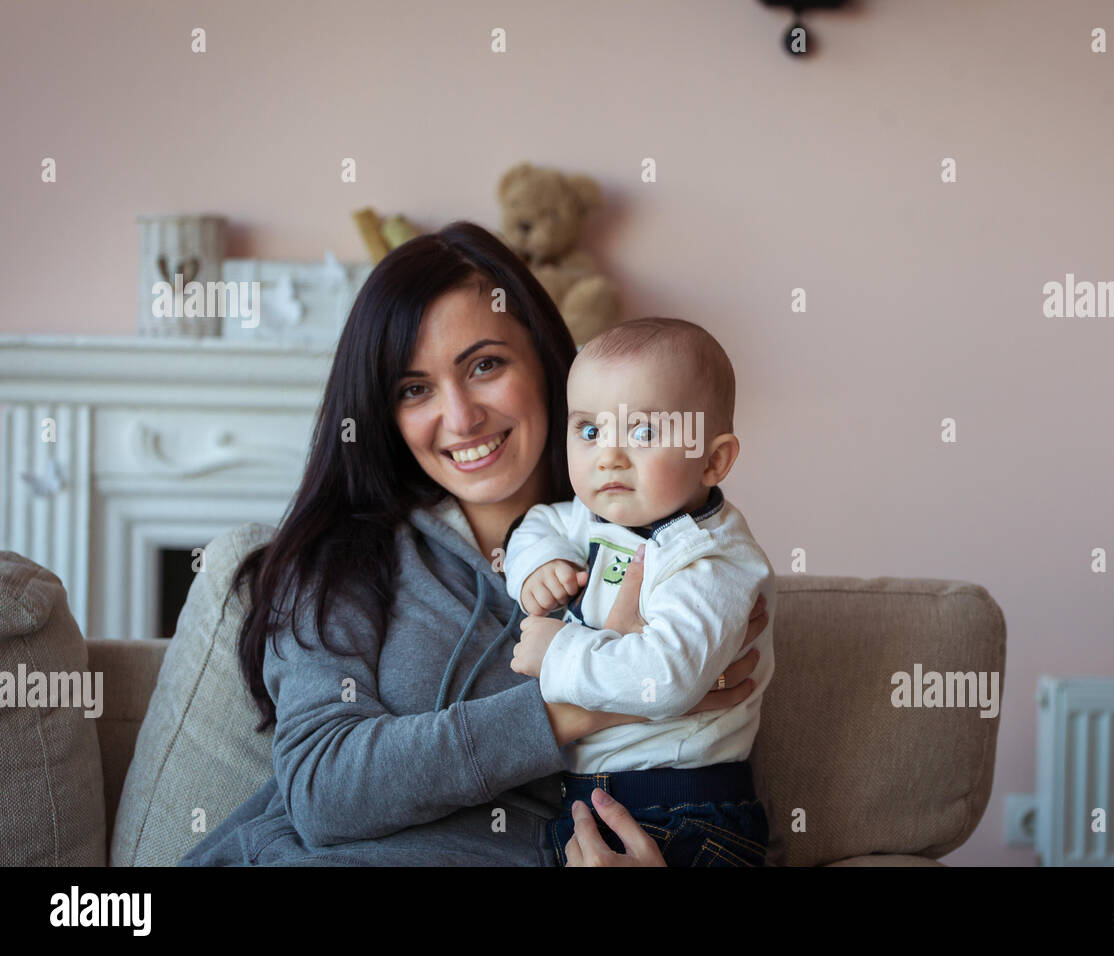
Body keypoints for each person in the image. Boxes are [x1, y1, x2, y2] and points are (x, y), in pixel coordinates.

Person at [178, 221, 765, 866]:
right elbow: (324, 791)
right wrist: (570, 712)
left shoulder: (683, 558)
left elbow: (691, 768)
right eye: (414, 389)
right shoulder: (341, 558)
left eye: (485, 365)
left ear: (544, 362)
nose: (460, 418)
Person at [503, 317, 776, 866]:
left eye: (644, 433)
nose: (609, 456)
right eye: (589, 431)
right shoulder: (598, 516)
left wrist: (557, 650)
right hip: (592, 801)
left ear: (714, 460)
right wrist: (541, 564)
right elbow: (535, 524)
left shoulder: (709, 559)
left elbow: (668, 679)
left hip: (685, 810)